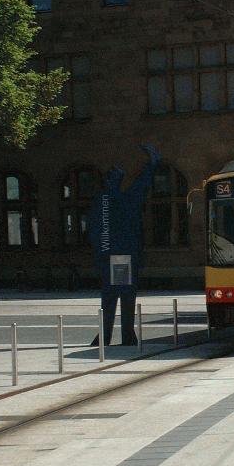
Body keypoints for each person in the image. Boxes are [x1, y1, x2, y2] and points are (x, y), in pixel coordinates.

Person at [88, 145, 160, 346]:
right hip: (123, 255)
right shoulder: (123, 200)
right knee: (125, 295)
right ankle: (125, 334)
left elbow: (94, 230)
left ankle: (107, 334)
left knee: (110, 296)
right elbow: (140, 187)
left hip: (108, 255)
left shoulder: (102, 201)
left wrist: (101, 252)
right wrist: (152, 165)